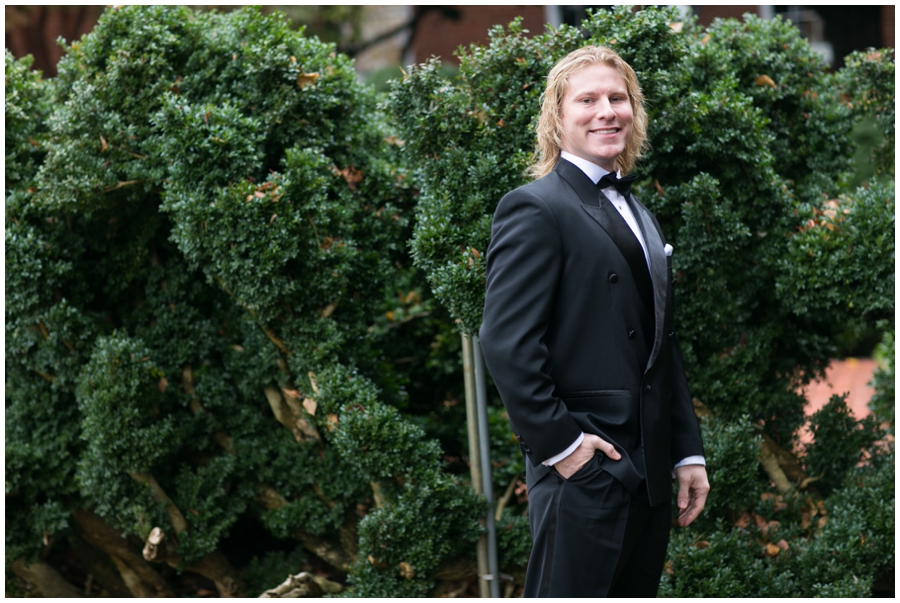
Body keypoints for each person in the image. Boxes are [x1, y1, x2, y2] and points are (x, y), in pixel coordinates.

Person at [479, 45, 710, 597]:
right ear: (558, 119)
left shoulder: (640, 212)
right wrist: (565, 449)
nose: (606, 110)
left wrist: (685, 450)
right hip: (587, 470)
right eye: (588, 100)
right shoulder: (535, 207)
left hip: (650, 470)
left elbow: (661, 343)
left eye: (618, 97)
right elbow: (506, 342)